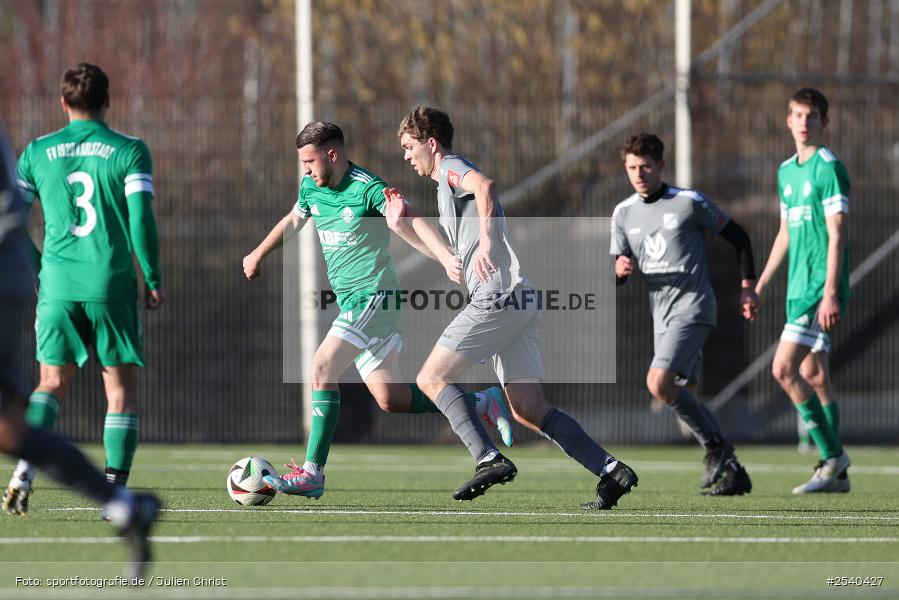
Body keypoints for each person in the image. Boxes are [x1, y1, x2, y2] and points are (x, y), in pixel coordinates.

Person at [243, 121, 513, 499]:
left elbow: (411, 217)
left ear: (332, 155)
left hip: (374, 297)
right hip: (355, 302)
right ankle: (482, 402)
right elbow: (294, 220)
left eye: (310, 160)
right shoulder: (310, 187)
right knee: (392, 399)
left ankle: (312, 472)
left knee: (321, 367)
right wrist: (258, 253)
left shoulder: (368, 188)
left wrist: (445, 258)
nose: (305, 169)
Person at [387, 105, 638, 509]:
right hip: (518, 297)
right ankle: (611, 471)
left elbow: (485, 185)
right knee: (527, 408)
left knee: (430, 378)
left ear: (430, 144)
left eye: (408, 146)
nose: (405, 155)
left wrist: (487, 241)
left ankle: (488, 458)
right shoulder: (446, 188)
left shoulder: (451, 166)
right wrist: (405, 224)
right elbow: (451, 255)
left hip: (497, 296)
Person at [0, 116, 159, 576]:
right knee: (119, 391)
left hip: (54, 286)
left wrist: (39, 270)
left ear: (64, 101)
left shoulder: (38, 151)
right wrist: (153, 275)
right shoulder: (127, 149)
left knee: (48, 387)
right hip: (108, 282)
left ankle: (27, 475)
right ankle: (118, 498)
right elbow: (140, 217)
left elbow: (17, 215)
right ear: (105, 101)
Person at [611, 133, 754, 496]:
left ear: (661, 166)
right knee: (672, 390)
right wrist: (619, 270)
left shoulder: (688, 203)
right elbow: (617, 274)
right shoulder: (623, 213)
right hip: (662, 317)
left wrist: (748, 285)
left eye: (645, 166)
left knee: (657, 383)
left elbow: (739, 236)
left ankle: (716, 449)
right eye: (631, 167)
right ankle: (734, 471)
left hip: (694, 308)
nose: (638, 174)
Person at [752, 88, 851, 494]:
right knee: (813, 372)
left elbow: (837, 233)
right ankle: (838, 476)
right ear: (788, 120)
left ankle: (832, 457)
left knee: (783, 369)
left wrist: (830, 291)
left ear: (823, 123)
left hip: (817, 289)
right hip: (797, 288)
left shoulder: (829, 169)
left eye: (812, 116)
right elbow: (785, 234)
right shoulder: (786, 171)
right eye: (798, 114)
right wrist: (757, 287)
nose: (804, 122)